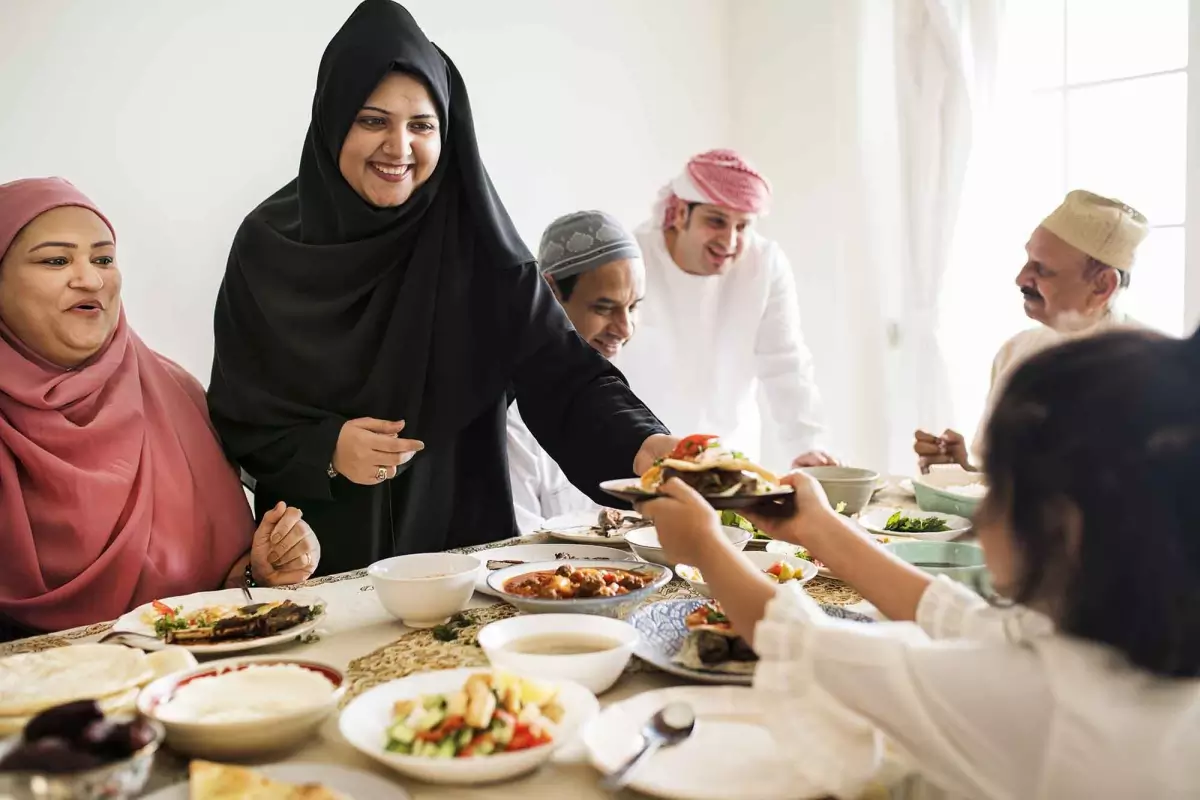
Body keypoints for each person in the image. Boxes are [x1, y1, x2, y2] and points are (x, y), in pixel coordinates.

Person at [206, 0, 673, 576]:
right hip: (319, 558)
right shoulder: (268, 247)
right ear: (332, 119)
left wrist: (644, 447)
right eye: (372, 120)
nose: (398, 147)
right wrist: (325, 450)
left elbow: (565, 378)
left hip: (462, 555)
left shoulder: (479, 246)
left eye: (421, 125)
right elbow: (239, 411)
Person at [637, 328, 1200, 798]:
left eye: (995, 486)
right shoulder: (1122, 650)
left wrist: (707, 547)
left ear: (1063, 526)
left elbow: (807, 643)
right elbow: (965, 619)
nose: (978, 518)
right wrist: (818, 529)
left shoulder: (1040, 706)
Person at [0, 177, 319, 640]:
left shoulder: (175, 395)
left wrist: (265, 570)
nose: (90, 278)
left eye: (104, 259)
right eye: (56, 260)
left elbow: (222, 583)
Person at [617, 149, 834, 469]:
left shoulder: (765, 264)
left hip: (730, 460)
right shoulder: (631, 259)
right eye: (716, 221)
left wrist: (806, 443)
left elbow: (786, 362)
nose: (730, 241)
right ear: (679, 214)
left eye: (742, 226)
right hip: (639, 457)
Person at [915, 189, 1149, 472]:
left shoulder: (1150, 372)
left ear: (1102, 286)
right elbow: (1005, 485)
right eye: (1028, 260)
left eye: (1042, 269)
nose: (1021, 278)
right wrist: (959, 469)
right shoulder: (1016, 351)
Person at [507, 211, 645, 532]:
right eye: (604, 307)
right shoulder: (510, 418)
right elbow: (514, 552)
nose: (624, 328)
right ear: (550, 294)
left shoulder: (623, 393)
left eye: (634, 306)